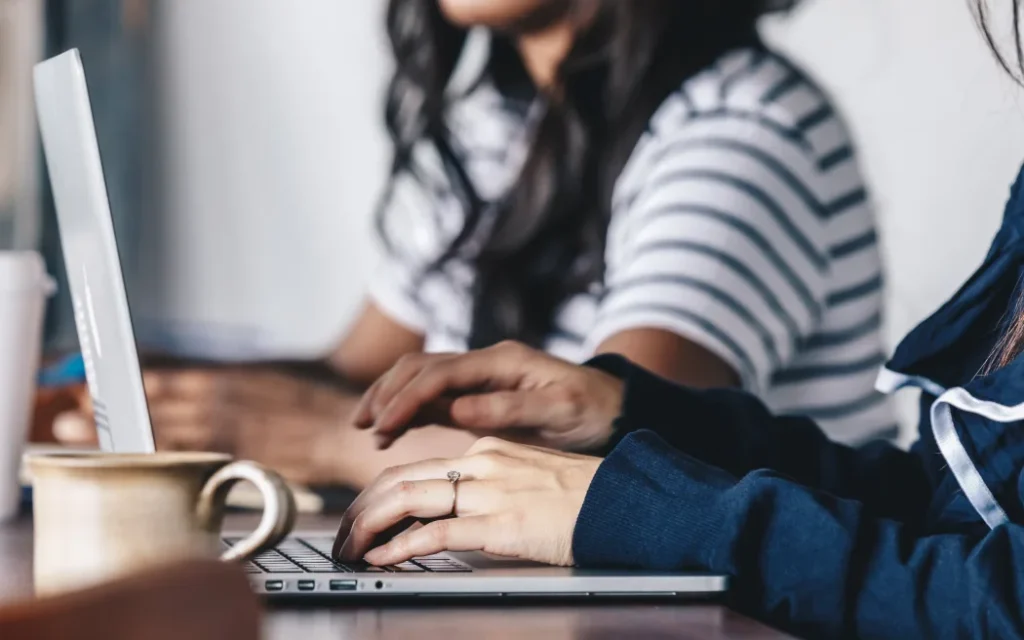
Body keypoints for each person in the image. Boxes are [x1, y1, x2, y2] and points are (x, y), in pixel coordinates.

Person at [329, 4, 1024, 637]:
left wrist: (630, 505)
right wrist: (629, 411)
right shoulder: (489, 123)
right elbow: (944, 514)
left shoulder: (743, 122)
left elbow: (996, 603)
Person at [54, 0, 892, 486]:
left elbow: (631, 461)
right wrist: (155, 394)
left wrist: (313, 438)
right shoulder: (494, 125)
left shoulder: (741, 129)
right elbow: (355, 377)